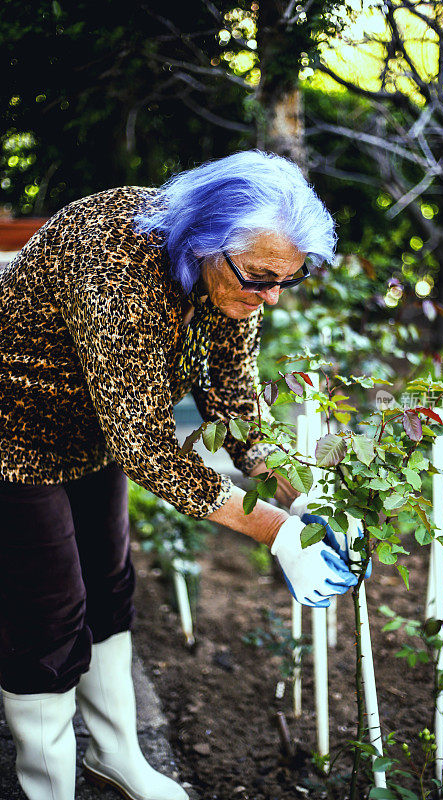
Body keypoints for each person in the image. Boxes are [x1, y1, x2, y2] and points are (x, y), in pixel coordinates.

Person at [0, 150, 358, 800]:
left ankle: (118, 758)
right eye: (259, 278)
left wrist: (309, 494)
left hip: (96, 432)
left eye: (288, 281)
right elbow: (147, 449)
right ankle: (44, 788)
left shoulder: (236, 277)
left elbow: (233, 397)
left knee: (109, 591)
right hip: (13, 430)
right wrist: (275, 531)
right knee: (49, 615)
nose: (271, 295)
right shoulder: (115, 264)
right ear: (205, 246)